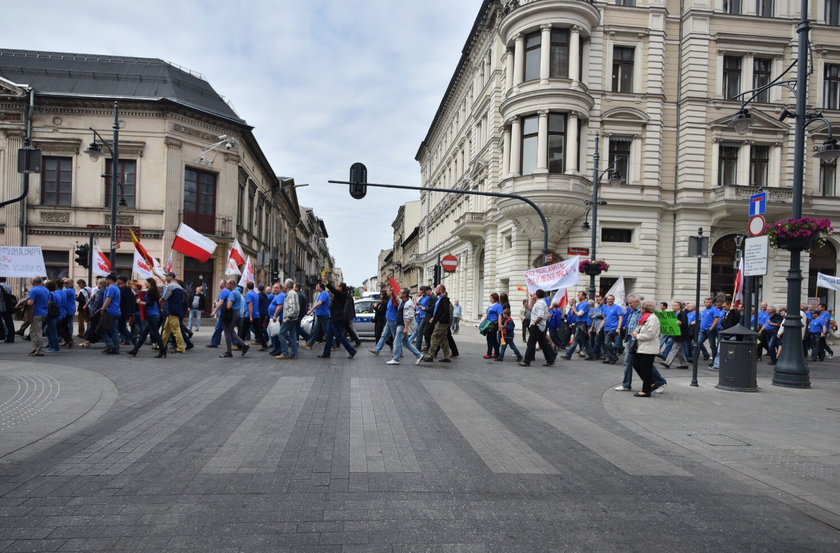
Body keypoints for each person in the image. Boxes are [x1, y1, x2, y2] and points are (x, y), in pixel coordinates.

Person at [318, 278, 356, 359]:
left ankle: (352, 350)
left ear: (341, 288)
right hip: (334, 317)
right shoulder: (340, 294)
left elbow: (333, 290)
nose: (336, 287)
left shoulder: (341, 294)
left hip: (337, 318)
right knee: (329, 335)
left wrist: (327, 283)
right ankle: (326, 353)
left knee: (339, 336)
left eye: (338, 286)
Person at [128, 278, 166, 358]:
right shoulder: (153, 290)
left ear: (150, 283)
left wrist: (140, 302)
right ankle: (135, 350)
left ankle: (162, 351)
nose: (145, 283)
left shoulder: (151, 291)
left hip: (152, 314)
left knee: (156, 334)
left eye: (146, 282)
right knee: (144, 334)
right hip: (153, 314)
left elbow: (150, 303)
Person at [632, 300, 662, 397]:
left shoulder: (653, 319)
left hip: (649, 347)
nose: (640, 309)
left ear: (645, 309)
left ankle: (646, 390)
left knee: (646, 369)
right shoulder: (645, 318)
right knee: (637, 364)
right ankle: (652, 383)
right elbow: (639, 327)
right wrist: (636, 332)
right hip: (641, 347)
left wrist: (637, 336)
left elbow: (650, 334)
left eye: (642, 308)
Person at [387, 287, 423, 365]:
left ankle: (395, 359)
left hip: (402, 326)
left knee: (396, 342)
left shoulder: (408, 304)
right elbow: (397, 299)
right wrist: (393, 292)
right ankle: (419, 355)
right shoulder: (403, 301)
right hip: (401, 325)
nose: (399, 293)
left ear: (405, 294)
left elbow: (408, 317)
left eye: (400, 292)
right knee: (406, 343)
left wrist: (406, 328)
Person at [519, 289, 556, 367]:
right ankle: (550, 359)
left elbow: (540, 316)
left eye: (535, 294)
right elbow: (531, 309)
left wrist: (534, 323)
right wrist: (532, 300)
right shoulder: (540, 302)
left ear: (537, 295)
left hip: (537, 326)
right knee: (543, 344)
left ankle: (527, 361)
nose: (533, 295)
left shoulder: (540, 304)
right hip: (540, 326)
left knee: (531, 343)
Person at [422, 284, 453, 363]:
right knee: (443, 339)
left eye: (437, 289)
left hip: (442, 322)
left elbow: (444, 312)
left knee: (434, 336)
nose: (435, 290)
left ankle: (430, 355)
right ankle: (447, 356)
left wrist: (438, 320)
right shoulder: (440, 299)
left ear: (440, 290)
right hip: (440, 321)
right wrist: (434, 318)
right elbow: (438, 311)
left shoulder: (444, 299)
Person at [218, 279, 248, 358]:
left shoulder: (232, 293)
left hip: (232, 314)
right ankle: (243, 345)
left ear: (231, 284)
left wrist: (223, 305)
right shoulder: (237, 292)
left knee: (227, 332)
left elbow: (229, 306)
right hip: (236, 313)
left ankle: (229, 352)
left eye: (227, 284)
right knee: (231, 332)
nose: (226, 285)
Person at [160, 272, 188, 355]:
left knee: (176, 330)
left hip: (172, 311)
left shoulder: (171, 286)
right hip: (175, 310)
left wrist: (159, 302)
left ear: (171, 277)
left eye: (166, 276)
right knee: (166, 330)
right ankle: (162, 345)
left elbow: (164, 298)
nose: (165, 278)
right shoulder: (179, 287)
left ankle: (181, 347)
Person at [369, 285, 399, 357]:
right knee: (383, 335)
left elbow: (395, 308)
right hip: (388, 320)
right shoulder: (389, 300)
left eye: (388, 291)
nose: (387, 292)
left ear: (391, 292)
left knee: (396, 337)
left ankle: (399, 352)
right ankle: (377, 349)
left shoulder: (393, 300)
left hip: (392, 320)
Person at [660, 301, 690, 369]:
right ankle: (684, 364)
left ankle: (667, 363)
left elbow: (685, 324)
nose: (672, 307)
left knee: (674, 348)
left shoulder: (683, 314)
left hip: (680, 335)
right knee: (679, 351)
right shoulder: (673, 313)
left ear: (678, 307)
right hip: (675, 334)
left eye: (674, 306)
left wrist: (680, 323)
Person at [26, 277, 50, 356]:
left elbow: (30, 303)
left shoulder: (34, 290)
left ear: (34, 282)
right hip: (44, 312)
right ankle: (35, 348)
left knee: (36, 332)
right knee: (36, 331)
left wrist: (25, 301)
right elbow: (49, 301)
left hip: (36, 312)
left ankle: (39, 349)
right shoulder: (46, 290)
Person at [99, 274, 122, 354]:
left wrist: (103, 308)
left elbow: (109, 299)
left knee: (101, 329)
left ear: (110, 280)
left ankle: (111, 345)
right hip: (116, 311)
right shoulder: (116, 288)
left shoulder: (111, 288)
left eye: (107, 279)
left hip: (110, 311)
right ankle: (115, 347)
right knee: (114, 330)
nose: (106, 281)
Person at [277, 279, 300, 359]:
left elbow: (292, 307)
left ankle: (285, 353)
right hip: (294, 318)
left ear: (286, 285)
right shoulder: (293, 293)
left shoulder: (290, 294)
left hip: (290, 318)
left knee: (281, 334)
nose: (283, 285)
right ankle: (294, 353)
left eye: (284, 284)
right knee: (293, 335)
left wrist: (288, 317)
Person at [240, 282, 267, 350]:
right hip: (256, 315)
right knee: (258, 331)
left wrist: (251, 316)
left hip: (249, 315)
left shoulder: (248, 294)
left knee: (243, 330)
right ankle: (264, 345)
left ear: (247, 287)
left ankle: (239, 345)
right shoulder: (255, 294)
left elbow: (250, 305)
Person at [304, 282, 331, 350]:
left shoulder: (324, 293)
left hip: (323, 315)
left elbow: (319, 303)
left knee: (326, 331)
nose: (316, 288)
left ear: (321, 287)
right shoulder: (322, 293)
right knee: (315, 330)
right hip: (320, 315)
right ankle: (309, 344)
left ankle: (333, 345)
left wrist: (311, 310)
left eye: (317, 286)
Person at [600, 295, 624, 364]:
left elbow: (620, 318)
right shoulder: (606, 308)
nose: (610, 300)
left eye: (611, 299)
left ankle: (614, 357)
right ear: (607, 300)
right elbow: (604, 319)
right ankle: (608, 358)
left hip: (613, 328)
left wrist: (618, 328)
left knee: (607, 343)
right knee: (607, 344)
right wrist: (600, 328)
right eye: (609, 299)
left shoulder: (617, 308)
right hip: (606, 328)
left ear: (614, 300)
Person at [207, 279, 230, 348]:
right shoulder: (224, 292)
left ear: (225, 284)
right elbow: (218, 301)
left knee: (227, 330)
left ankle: (238, 343)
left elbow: (220, 303)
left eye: (220, 283)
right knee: (218, 328)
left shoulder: (225, 291)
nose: (219, 284)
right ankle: (214, 343)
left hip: (223, 313)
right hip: (223, 313)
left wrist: (214, 312)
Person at [116, 276, 137, 348]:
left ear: (121, 281)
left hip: (122, 311)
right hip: (126, 311)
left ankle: (132, 338)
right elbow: (132, 301)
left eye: (118, 280)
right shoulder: (128, 289)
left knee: (120, 327)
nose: (117, 281)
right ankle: (132, 338)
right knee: (121, 327)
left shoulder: (121, 290)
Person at [483, 293, 504, 359]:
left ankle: (489, 353)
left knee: (490, 338)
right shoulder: (491, 305)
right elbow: (487, 314)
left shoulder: (498, 305)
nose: (490, 299)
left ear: (495, 298)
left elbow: (500, 315)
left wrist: (499, 325)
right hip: (488, 323)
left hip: (493, 324)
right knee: (494, 339)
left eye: (492, 298)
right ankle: (497, 353)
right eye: (490, 298)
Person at [0, 277, 16, 343]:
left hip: (1, 306)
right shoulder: (8, 286)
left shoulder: (0, 286)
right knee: (9, 322)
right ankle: (11, 337)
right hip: (8, 307)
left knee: (2, 322)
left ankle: (2, 335)